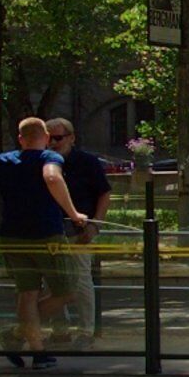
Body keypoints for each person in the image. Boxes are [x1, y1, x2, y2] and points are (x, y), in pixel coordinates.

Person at [0, 115, 92, 367]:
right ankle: (16, 333)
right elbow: (53, 178)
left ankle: (37, 350)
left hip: (12, 235)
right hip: (46, 234)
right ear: (45, 138)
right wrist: (74, 213)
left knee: (27, 294)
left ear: (21, 138)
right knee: (68, 290)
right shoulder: (49, 158)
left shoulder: (1, 160)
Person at [48, 117, 112, 350]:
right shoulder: (43, 162)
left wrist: (95, 226)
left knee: (81, 279)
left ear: (71, 138)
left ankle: (86, 330)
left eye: (58, 138)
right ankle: (60, 330)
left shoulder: (87, 162)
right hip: (50, 231)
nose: (53, 143)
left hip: (79, 231)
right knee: (52, 281)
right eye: (48, 138)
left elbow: (104, 194)